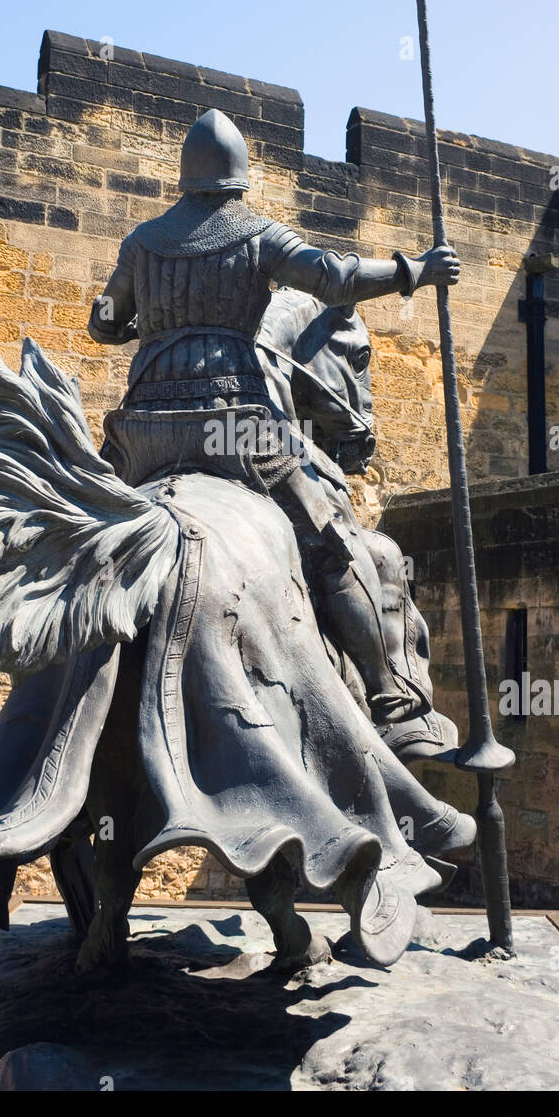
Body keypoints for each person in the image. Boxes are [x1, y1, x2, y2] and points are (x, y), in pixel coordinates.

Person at [89, 108, 460, 759]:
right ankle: (393, 698)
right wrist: (414, 271)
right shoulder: (257, 235)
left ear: (185, 177)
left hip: (141, 430)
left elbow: (104, 323)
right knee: (332, 544)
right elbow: (337, 279)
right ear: (238, 179)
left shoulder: (141, 242)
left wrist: (133, 325)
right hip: (237, 427)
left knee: (86, 533)